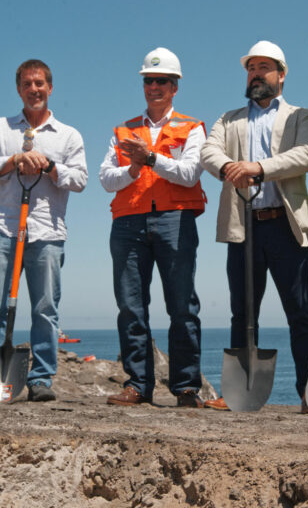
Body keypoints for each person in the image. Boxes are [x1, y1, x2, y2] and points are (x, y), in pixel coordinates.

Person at [201, 41, 308, 411]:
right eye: (251, 68)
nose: (256, 74)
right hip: (244, 226)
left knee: (299, 312)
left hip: (285, 225)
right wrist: (228, 168)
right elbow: (208, 151)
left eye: (264, 67)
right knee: (242, 311)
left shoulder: (301, 117)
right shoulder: (229, 118)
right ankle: (237, 394)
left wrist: (258, 168)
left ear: (281, 75)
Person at [0, 59, 88, 402]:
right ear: (18, 89)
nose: (34, 89)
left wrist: (49, 165)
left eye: (40, 84)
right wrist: (14, 161)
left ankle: (41, 379)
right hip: (2, 228)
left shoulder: (68, 135)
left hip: (47, 232)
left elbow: (80, 180)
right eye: (27, 84)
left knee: (45, 307)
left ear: (50, 88)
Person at [100, 47, 206, 408]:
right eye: (149, 80)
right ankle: (137, 385)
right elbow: (105, 178)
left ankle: (187, 387)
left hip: (175, 219)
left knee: (182, 305)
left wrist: (150, 159)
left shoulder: (192, 128)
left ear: (175, 86)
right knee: (131, 306)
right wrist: (133, 170)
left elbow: (191, 173)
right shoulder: (123, 130)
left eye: (162, 80)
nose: (154, 86)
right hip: (128, 221)